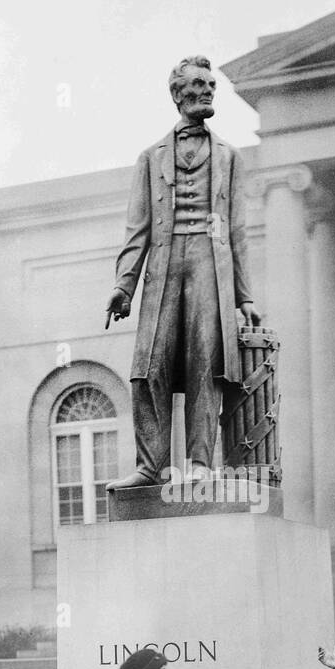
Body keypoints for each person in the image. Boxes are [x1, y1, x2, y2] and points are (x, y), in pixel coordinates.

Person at [104, 55, 259, 489]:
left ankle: (199, 463)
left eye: (212, 84)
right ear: (177, 94)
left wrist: (244, 297)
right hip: (164, 264)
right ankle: (150, 465)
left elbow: (239, 231)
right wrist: (124, 285)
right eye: (198, 84)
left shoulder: (230, 157)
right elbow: (137, 228)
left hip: (211, 267)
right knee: (149, 365)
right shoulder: (149, 158)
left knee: (205, 363)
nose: (208, 90)